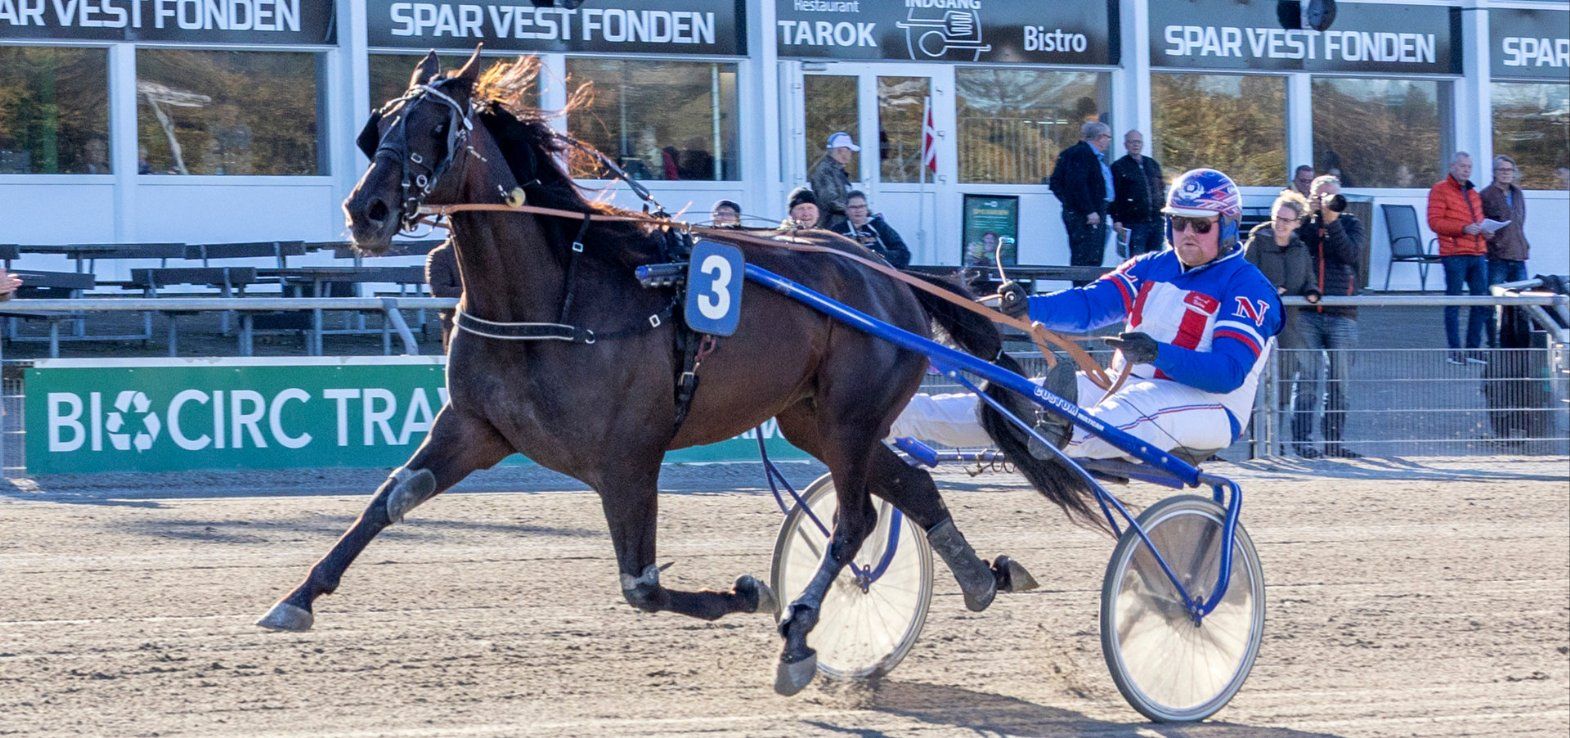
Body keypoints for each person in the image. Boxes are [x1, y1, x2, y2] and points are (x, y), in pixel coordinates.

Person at [890, 168, 1283, 462]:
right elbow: (1092, 304)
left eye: (1200, 224)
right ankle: (892, 416)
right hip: (1121, 385)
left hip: (1207, 405)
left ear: (1229, 226)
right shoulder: (1152, 265)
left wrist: (1157, 354)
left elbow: (1228, 372)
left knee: (1114, 412)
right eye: (1177, 222)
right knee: (1010, 402)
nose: (1186, 233)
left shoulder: (1247, 287)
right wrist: (1031, 307)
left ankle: (1050, 434)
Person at [1292, 174, 1364, 458]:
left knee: (1340, 383)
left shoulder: (1351, 223)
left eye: (1332, 196)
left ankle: (1333, 443)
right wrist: (1312, 217)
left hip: (1342, 312)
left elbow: (1350, 255)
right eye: (1321, 196)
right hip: (1307, 314)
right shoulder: (1303, 226)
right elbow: (1297, 249)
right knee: (1306, 380)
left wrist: (1332, 222)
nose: (1327, 202)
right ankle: (1302, 443)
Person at [1245, 191, 1321, 456]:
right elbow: (1245, 277)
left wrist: (1312, 291)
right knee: (1257, 385)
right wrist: (1268, 290)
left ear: (1298, 222)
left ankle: (1276, 442)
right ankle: (1258, 445)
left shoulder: (1300, 247)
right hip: (1259, 323)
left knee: (1284, 383)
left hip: (1289, 325)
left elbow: (1308, 277)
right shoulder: (1257, 242)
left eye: (1287, 220)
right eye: (1278, 218)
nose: (1281, 224)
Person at [1427, 152, 1490, 365]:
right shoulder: (1440, 189)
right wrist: (1463, 228)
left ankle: (1473, 348)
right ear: (1452, 166)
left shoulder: (1473, 193)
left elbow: (1478, 222)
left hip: (1477, 252)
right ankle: (1454, 351)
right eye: (1462, 166)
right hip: (1454, 254)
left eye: (1469, 166)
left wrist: (1485, 231)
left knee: (1480, 302)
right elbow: (1435, 222)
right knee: (1453, 302)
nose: (1466, 170)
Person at [1048, 121, 1113, 284]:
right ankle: (1083, 294)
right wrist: (1087, 210)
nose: (1109, 141)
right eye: (1108, 137)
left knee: (1089, 256)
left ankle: (1085, 291)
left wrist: (1069, 204)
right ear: (1100, 137)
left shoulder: (1074, 153)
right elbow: (1078, 184)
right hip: (1087, 216)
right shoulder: (1083, 154)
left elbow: (1056, 183)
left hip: (1089, 212)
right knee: (1087, 258)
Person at [1480, 155, 1531, 348]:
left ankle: (1518, 343)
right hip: (1498, 257)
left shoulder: (1518, 193)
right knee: (1494, 303)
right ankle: (1494, 342)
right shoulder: (1486, 195)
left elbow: (1520, 221)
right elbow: (1481, 221)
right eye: (1502, 170)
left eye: (1509, 170)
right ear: (1495, 172)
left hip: (1518, 255)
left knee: (1521, 304)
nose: (1506, 174)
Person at [1109, 129, 1165, 258]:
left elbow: (1160, 190)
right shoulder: (1119, 167)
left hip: (1156, 222)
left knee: (1156, 260)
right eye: (1132, 142)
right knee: (1136, 261)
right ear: (1125, 145)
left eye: (1138, 142)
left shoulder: (1152, 164)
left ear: (1143, 144)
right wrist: (1116, 219)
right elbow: (1114, 195)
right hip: (1134, 224)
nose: (1135, 145)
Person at [833, 190, 911, 268]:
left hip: (877, 274)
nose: (858, 210)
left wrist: (874, 255)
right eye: (853, 207)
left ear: (866, 208)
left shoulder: (879, 226)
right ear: (846, 210)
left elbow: (904, 254)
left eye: (861, 206)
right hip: (847, 275)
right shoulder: (838, 230)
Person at [808, 132, 857, 229]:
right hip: (831, 227)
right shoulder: (825, 171)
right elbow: (830, 202)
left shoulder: (838, 171)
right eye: (849, 150)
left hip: (842, 225)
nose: (851, 154)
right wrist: (854, 210)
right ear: (840, 150)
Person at [425, 237, 462, 352]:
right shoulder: (441, 255)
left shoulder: (487, 254)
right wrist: (476, 292)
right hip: (459, 328)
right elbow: (440, 291)